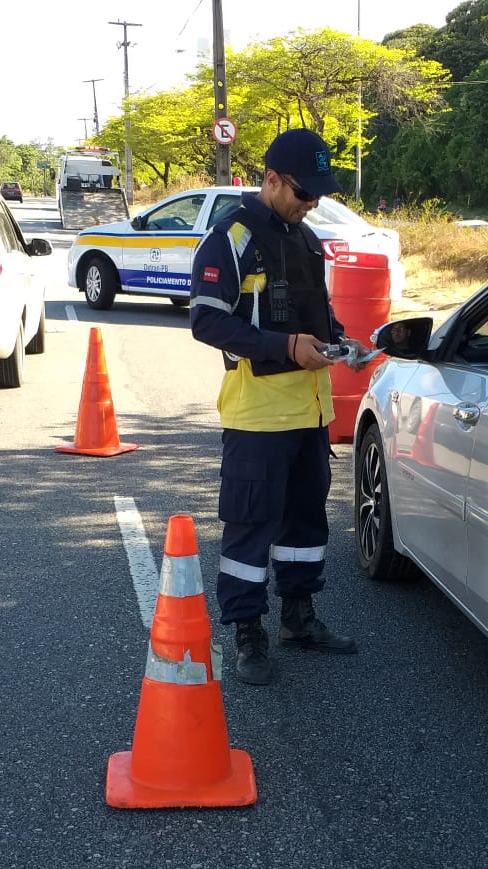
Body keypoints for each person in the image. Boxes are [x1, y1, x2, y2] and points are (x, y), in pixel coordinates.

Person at [188, 128, 368, 686]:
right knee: (250, 527)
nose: (311, 202)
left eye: (318, 194)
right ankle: (247, 632)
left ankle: (298, 616)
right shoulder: (230, 238)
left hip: (309, 415)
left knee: (306, 523)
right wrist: (284, 347)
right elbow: (207, 321)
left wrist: (343, 344)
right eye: (303, 191)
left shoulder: (309, 240)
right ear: (270, 180)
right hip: (258, 417)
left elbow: (321, 315)